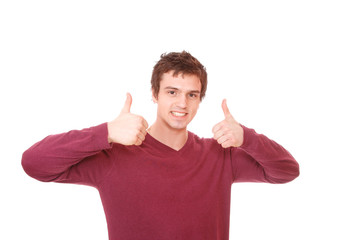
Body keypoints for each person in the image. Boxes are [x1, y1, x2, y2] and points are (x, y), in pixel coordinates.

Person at [22, 51, 300, 240]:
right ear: (154, 94)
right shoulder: (114, 156)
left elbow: (287, 171)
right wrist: (104, 132)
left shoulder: (219, 156)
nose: (182, 103)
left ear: (200, 100)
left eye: (192, 94)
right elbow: (34, 163)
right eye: (172, 92)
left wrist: (247, 138)